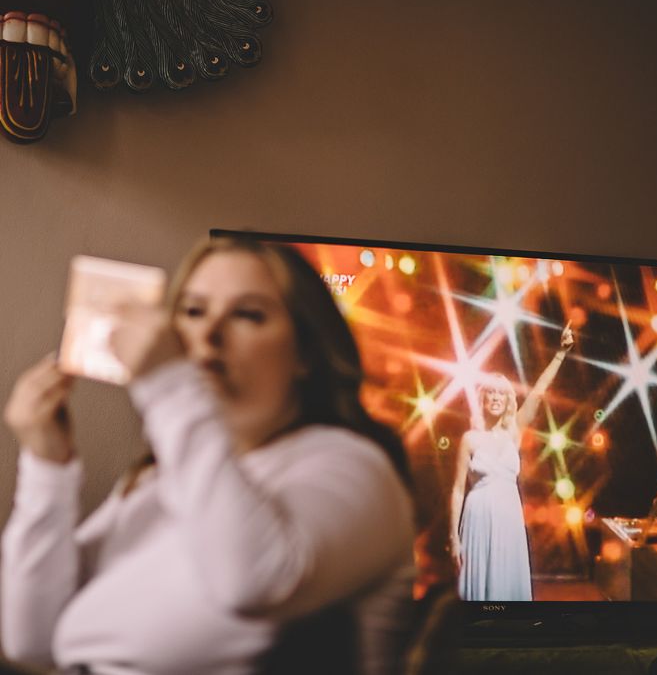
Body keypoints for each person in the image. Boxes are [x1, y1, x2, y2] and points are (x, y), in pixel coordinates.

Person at [1, 236, 416, 675]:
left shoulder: (355, 467)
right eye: (193, 311)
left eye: (247, 314)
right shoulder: (164, 477)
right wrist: (47, 466)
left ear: (306, 353)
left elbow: (255, 583)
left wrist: (167, 385)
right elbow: (30, 640)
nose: (208, 335)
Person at [449, 322, 574, 601]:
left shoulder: (514, 432)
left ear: (508, 401)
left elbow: (538, 392)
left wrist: (560, 354)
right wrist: (453, 538)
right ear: (482, 399)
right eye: (490, 393)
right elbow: (457, 490)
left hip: (508, 516)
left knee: (505, 587)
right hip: (477, 517)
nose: (495, 398)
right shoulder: (469, 439)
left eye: (501, 393)